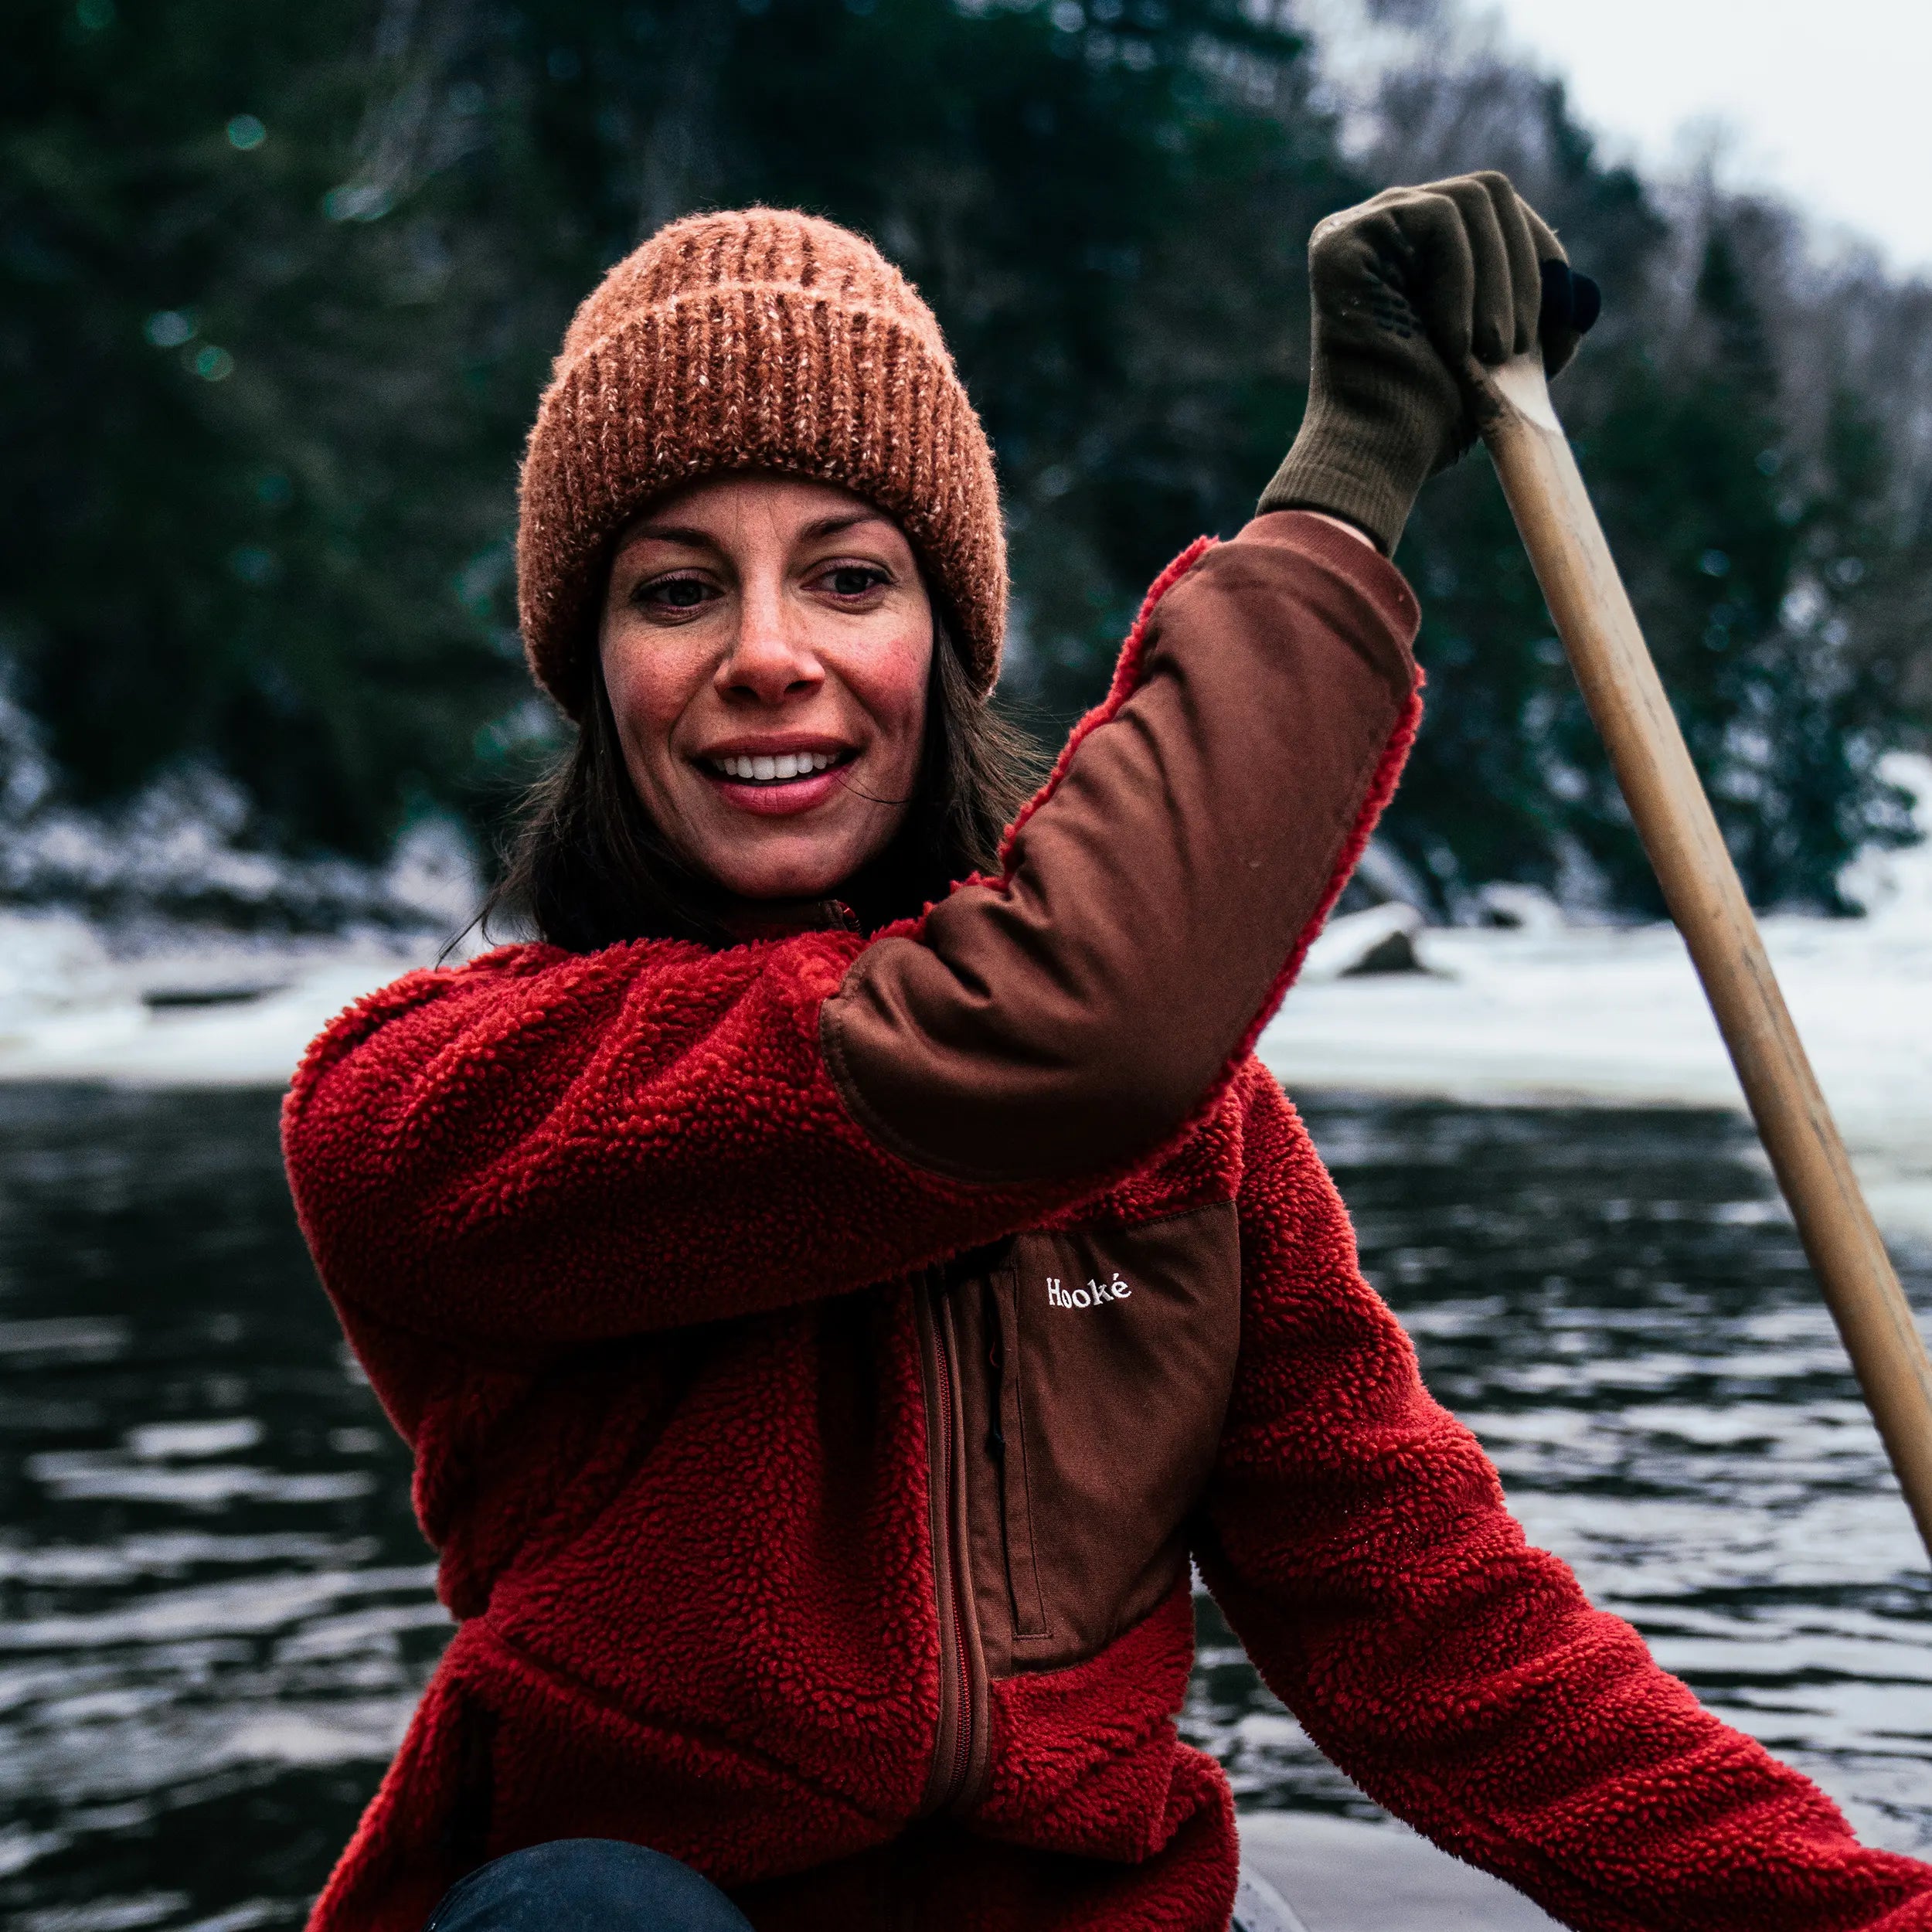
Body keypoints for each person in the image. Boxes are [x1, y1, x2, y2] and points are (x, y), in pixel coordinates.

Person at [283, 175, 1932, 1932]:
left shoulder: (1186, 1145)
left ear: (946, 641)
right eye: (678, 590)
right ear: (589, 669)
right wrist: (1353, 471)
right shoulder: (428, 1108)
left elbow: (1433, 1625)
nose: (768, 654)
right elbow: (1057, 1027)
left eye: (849, 578)